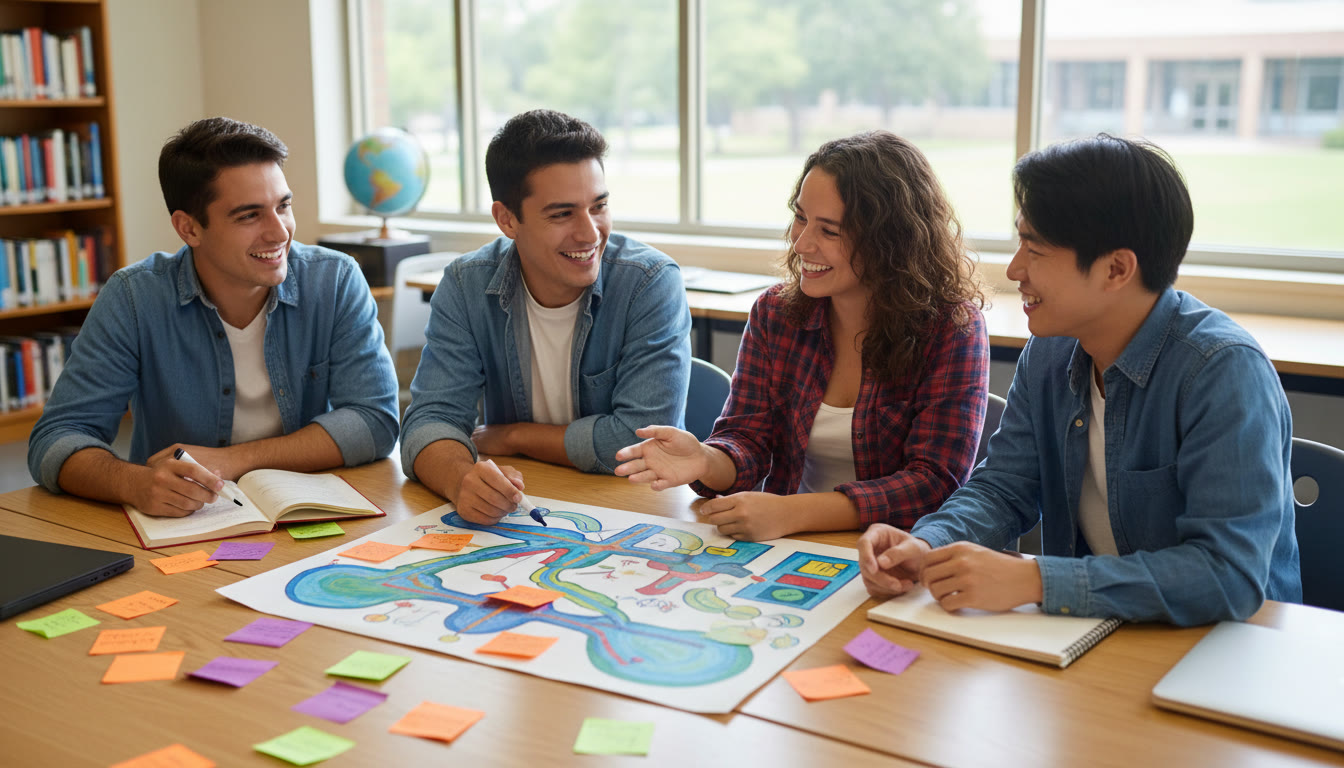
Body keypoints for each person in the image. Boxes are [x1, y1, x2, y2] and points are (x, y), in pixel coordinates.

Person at [858, 134, 1302, 626]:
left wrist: (1035, 581)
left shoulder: (1222, 371)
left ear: (1116, 269)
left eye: (1035, 248)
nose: (1014, 269)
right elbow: (1004, 488)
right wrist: (926, 543)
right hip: (1095, 630)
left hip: (1223, 648)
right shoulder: (1050, 350)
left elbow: (1227, 575)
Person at [614, 131, 989, 542]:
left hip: (894, 551)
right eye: (800, 217)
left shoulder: (952, 327)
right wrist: (705, 459)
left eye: (830, 231)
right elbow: (747, 439)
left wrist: (793, 512)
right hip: (789, 541)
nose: (802, 242)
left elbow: (934, 483)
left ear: (890, 241)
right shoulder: (776, 313)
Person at [28, 117, 399, 517]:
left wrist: (233, 461)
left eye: (283, 206)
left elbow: (375, 420)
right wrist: (132, 483)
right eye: (249, 216)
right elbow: (55, 438)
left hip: (306, 512)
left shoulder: (335, 279)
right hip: (185, 524)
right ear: (189, 228)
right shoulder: (135, 297)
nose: (280, 233)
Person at [400, 109, 691, 525]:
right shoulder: (466, 284)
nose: (590, 233)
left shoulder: (649, 283)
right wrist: (460, 479)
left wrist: (515, 436)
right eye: (562, 214)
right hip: (525, 506)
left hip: (629, 512)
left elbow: (637, 442)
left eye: (599, 206)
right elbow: (429, 420)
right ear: (507, 219)